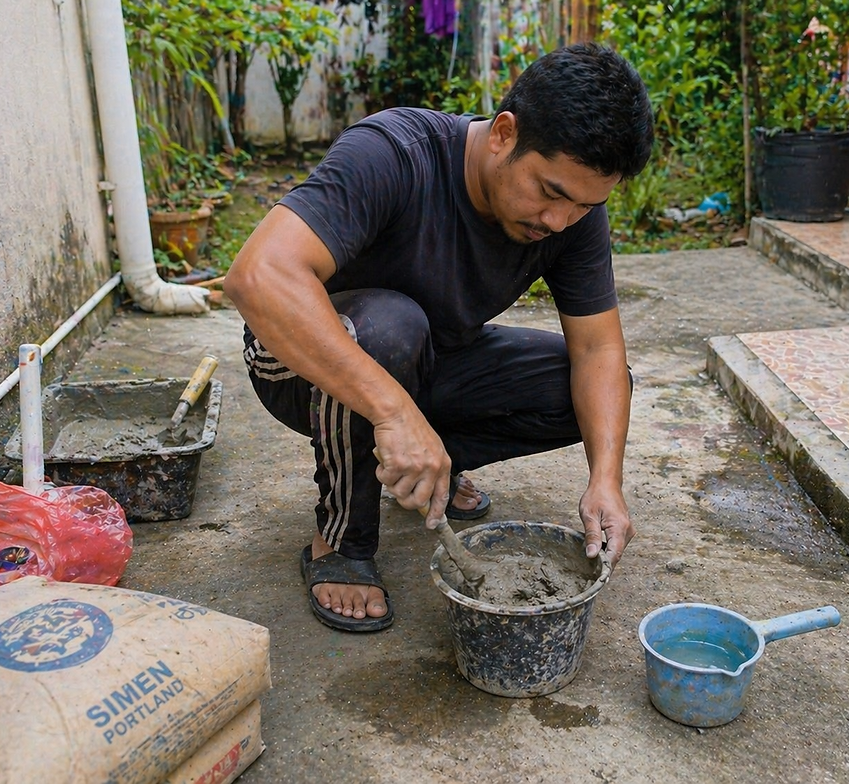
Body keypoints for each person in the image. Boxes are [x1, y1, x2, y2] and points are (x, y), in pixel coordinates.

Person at [224, 42, 653, 632]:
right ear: (503, 133)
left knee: (591, 390)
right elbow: (257, 276)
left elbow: (597, 349)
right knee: (391, 327)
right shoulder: (394, 152)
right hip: (296, 359)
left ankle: (430, 463)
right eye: (550, 192)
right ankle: (340, 538)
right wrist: (396, 414)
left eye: (584, 205)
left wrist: (605, 479)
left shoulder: (573, 211)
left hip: (430, 358)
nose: (559, 221)